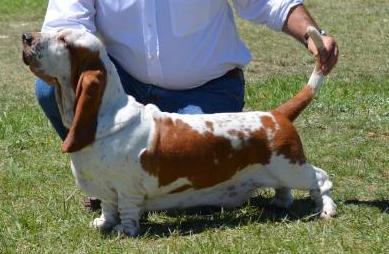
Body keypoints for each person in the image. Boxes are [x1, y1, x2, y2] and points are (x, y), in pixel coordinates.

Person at [36, 0, 338, 211]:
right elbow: (66, 25)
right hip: (127, 90)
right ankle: (106, 185)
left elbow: (267, 0)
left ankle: (140, 188)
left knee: (201, 200)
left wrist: (314, 35)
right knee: (51, 91)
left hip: (206, 91)